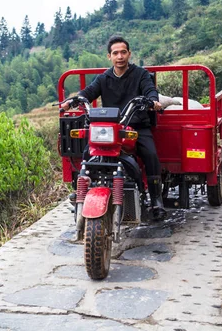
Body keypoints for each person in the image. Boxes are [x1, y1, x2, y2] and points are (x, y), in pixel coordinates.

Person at [62, 35, 165, 219]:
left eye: (123, 52)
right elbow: (89, 92)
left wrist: (153, 101)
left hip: (135, 126)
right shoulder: (104, 78)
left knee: (150, 154)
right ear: (109, 56)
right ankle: (82, 192)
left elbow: (150, 89)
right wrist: (73, 100)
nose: (120, 56)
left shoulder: (140, 74)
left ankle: (156, 199)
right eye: (115, 53)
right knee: (88, 153)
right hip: (110, 129)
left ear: (129, 54)